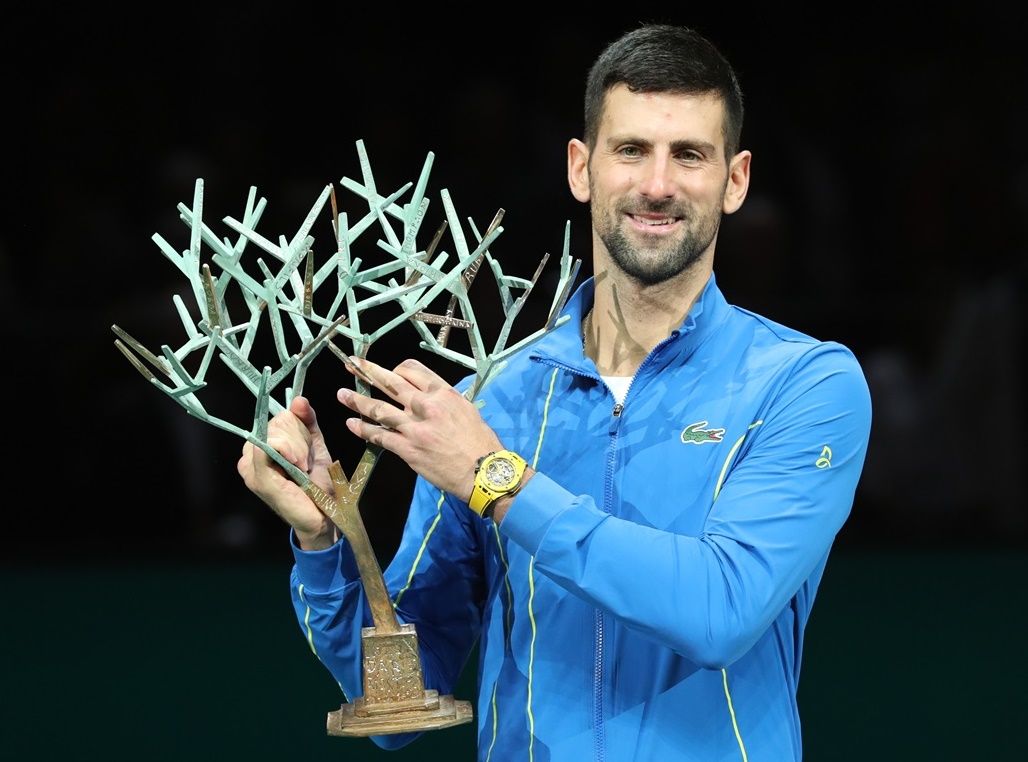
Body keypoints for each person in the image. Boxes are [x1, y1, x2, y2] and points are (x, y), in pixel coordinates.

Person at [237, 22, 872, 761]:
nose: (658, 184)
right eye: (630, 150)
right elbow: (396, 713)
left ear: (735, 181)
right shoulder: (492, 396)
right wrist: (323, 544)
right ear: (581, 168)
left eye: (689, 155)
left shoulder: (804, 383)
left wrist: (494, 480)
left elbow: (718, 611)